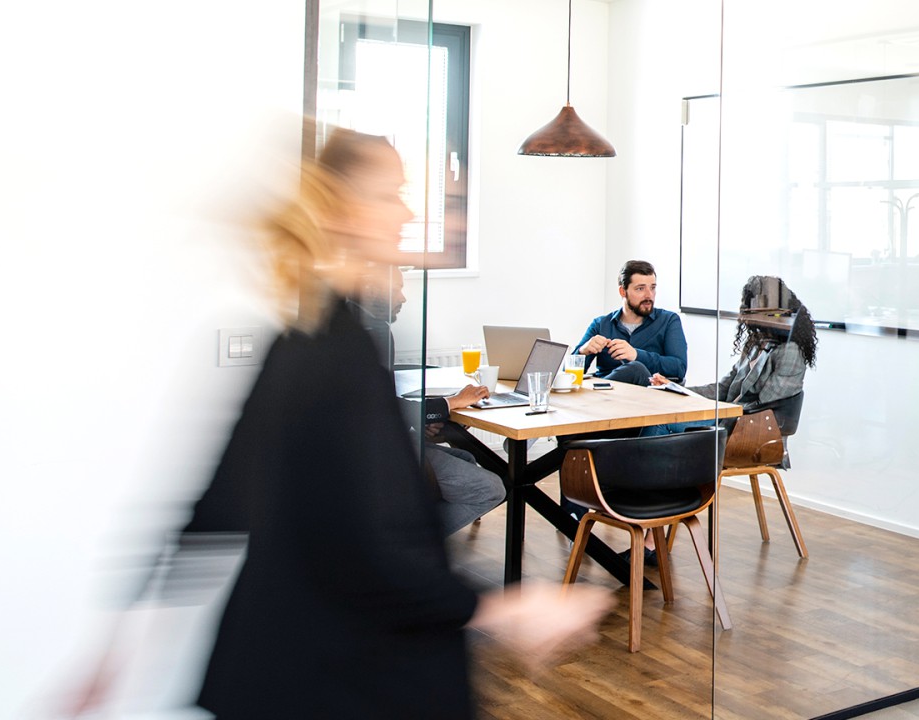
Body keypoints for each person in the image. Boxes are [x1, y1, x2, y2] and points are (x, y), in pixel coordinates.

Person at [66, 129, 610, 719]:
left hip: (284, 670)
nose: (407, 211)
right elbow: (368, 548)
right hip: (346, 677)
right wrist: (502, 610)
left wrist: (118, 641)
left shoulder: (302, 337)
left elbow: (220, 502)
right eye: (389, 195)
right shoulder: (337, 350)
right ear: (340, 210)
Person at [355, 271, 506, 535]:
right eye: (397, 289)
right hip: (378, 454)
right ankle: (409, 545)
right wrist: (451, 402)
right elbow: (377, 409)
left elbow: (378, 404)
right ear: (371, 289)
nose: (402, 297)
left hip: (376, 446)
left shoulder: (358, 326)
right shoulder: (372, 331)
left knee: (466, 457)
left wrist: (423, 419)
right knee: (492, 489)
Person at [644, 275, 815, 435]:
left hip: (748, 429)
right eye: (752, 308)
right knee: (657, 415)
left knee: (658, 422)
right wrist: (677, 390)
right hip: (728, 416)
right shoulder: (756, 345)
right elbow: (723, 388)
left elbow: (764, 408)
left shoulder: (790, 351)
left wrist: (715, 411)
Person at [574, 260, 687, 385]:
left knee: (636, 369)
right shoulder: (601, 324)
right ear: (623, 291)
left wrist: (636, 355)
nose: (649, 295)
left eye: (652, 288)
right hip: (606, 397)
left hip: (648, 397)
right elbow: (568, 375)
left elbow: (679, 368)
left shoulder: (669, 320)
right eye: (640, 289)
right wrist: (582, 351)